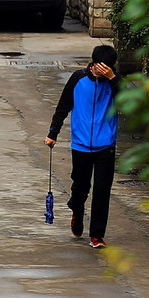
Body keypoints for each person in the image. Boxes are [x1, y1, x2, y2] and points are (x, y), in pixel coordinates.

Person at [45, 43, 119, 248]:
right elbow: (63, 106)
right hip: (81, 144)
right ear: (94, 63)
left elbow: (128, 102)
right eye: (100, 67)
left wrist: (113, 79)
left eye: (108, 69)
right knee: (80, 187)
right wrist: (53, 133)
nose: (103, 72)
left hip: (106, 145)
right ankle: (77, 210)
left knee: (102, 191)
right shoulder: (78, 79)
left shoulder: (114, 84)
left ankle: (97, 235)